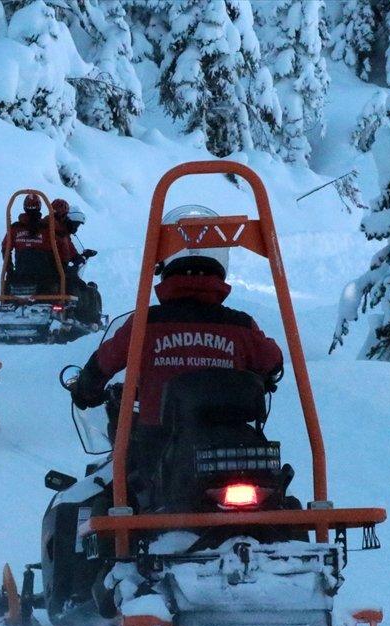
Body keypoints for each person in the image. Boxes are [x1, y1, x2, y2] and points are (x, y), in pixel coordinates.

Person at [69, 205, 283, 501]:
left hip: (158, 448)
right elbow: (273, 361)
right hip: (235, 452)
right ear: (220, 266)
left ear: (165, 267)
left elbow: (105, 362)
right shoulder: (241, 327)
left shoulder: (146, 324)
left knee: (118, 496)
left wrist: (86, 388)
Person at [3, 193, 61, 293]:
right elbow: (59, 244)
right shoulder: (47, 228)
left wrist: (10, 270)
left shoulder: (15, 228)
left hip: (21, 272)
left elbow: (5, 249)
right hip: (43, 276)